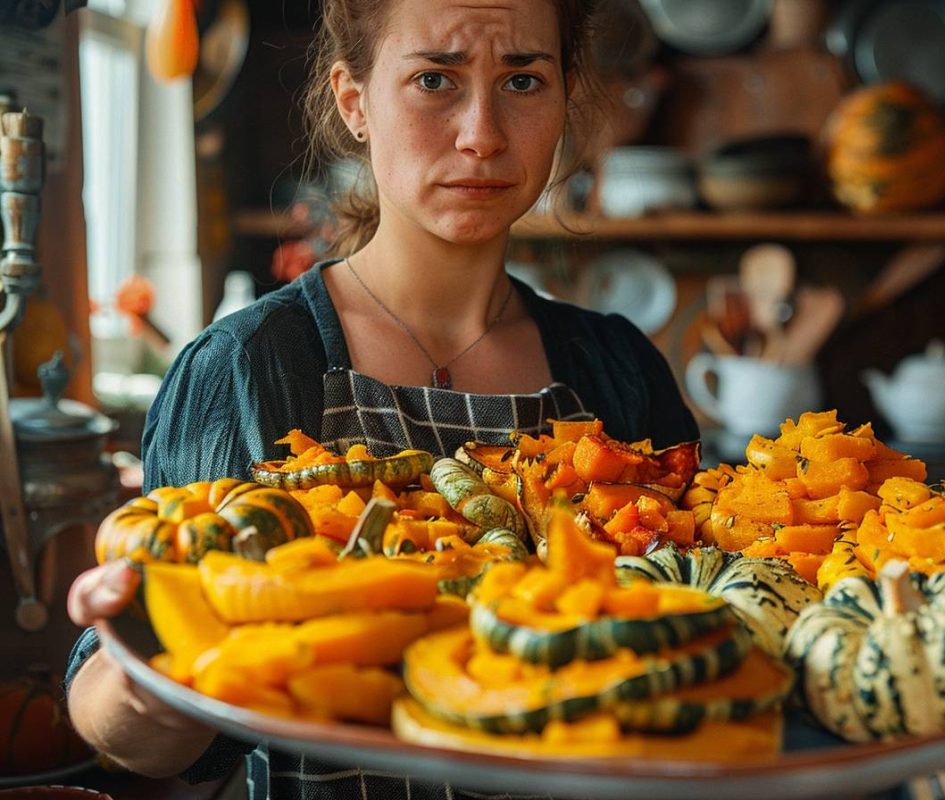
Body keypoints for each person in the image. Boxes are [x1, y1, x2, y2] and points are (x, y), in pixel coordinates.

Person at [64, 0, 698, 797]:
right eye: (435, 78)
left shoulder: (618, 369)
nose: (482, 134)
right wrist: (142, 672)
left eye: (524, 80)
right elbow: (143, 736)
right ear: (354, 101)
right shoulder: (245, 368)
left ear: (567, 97)